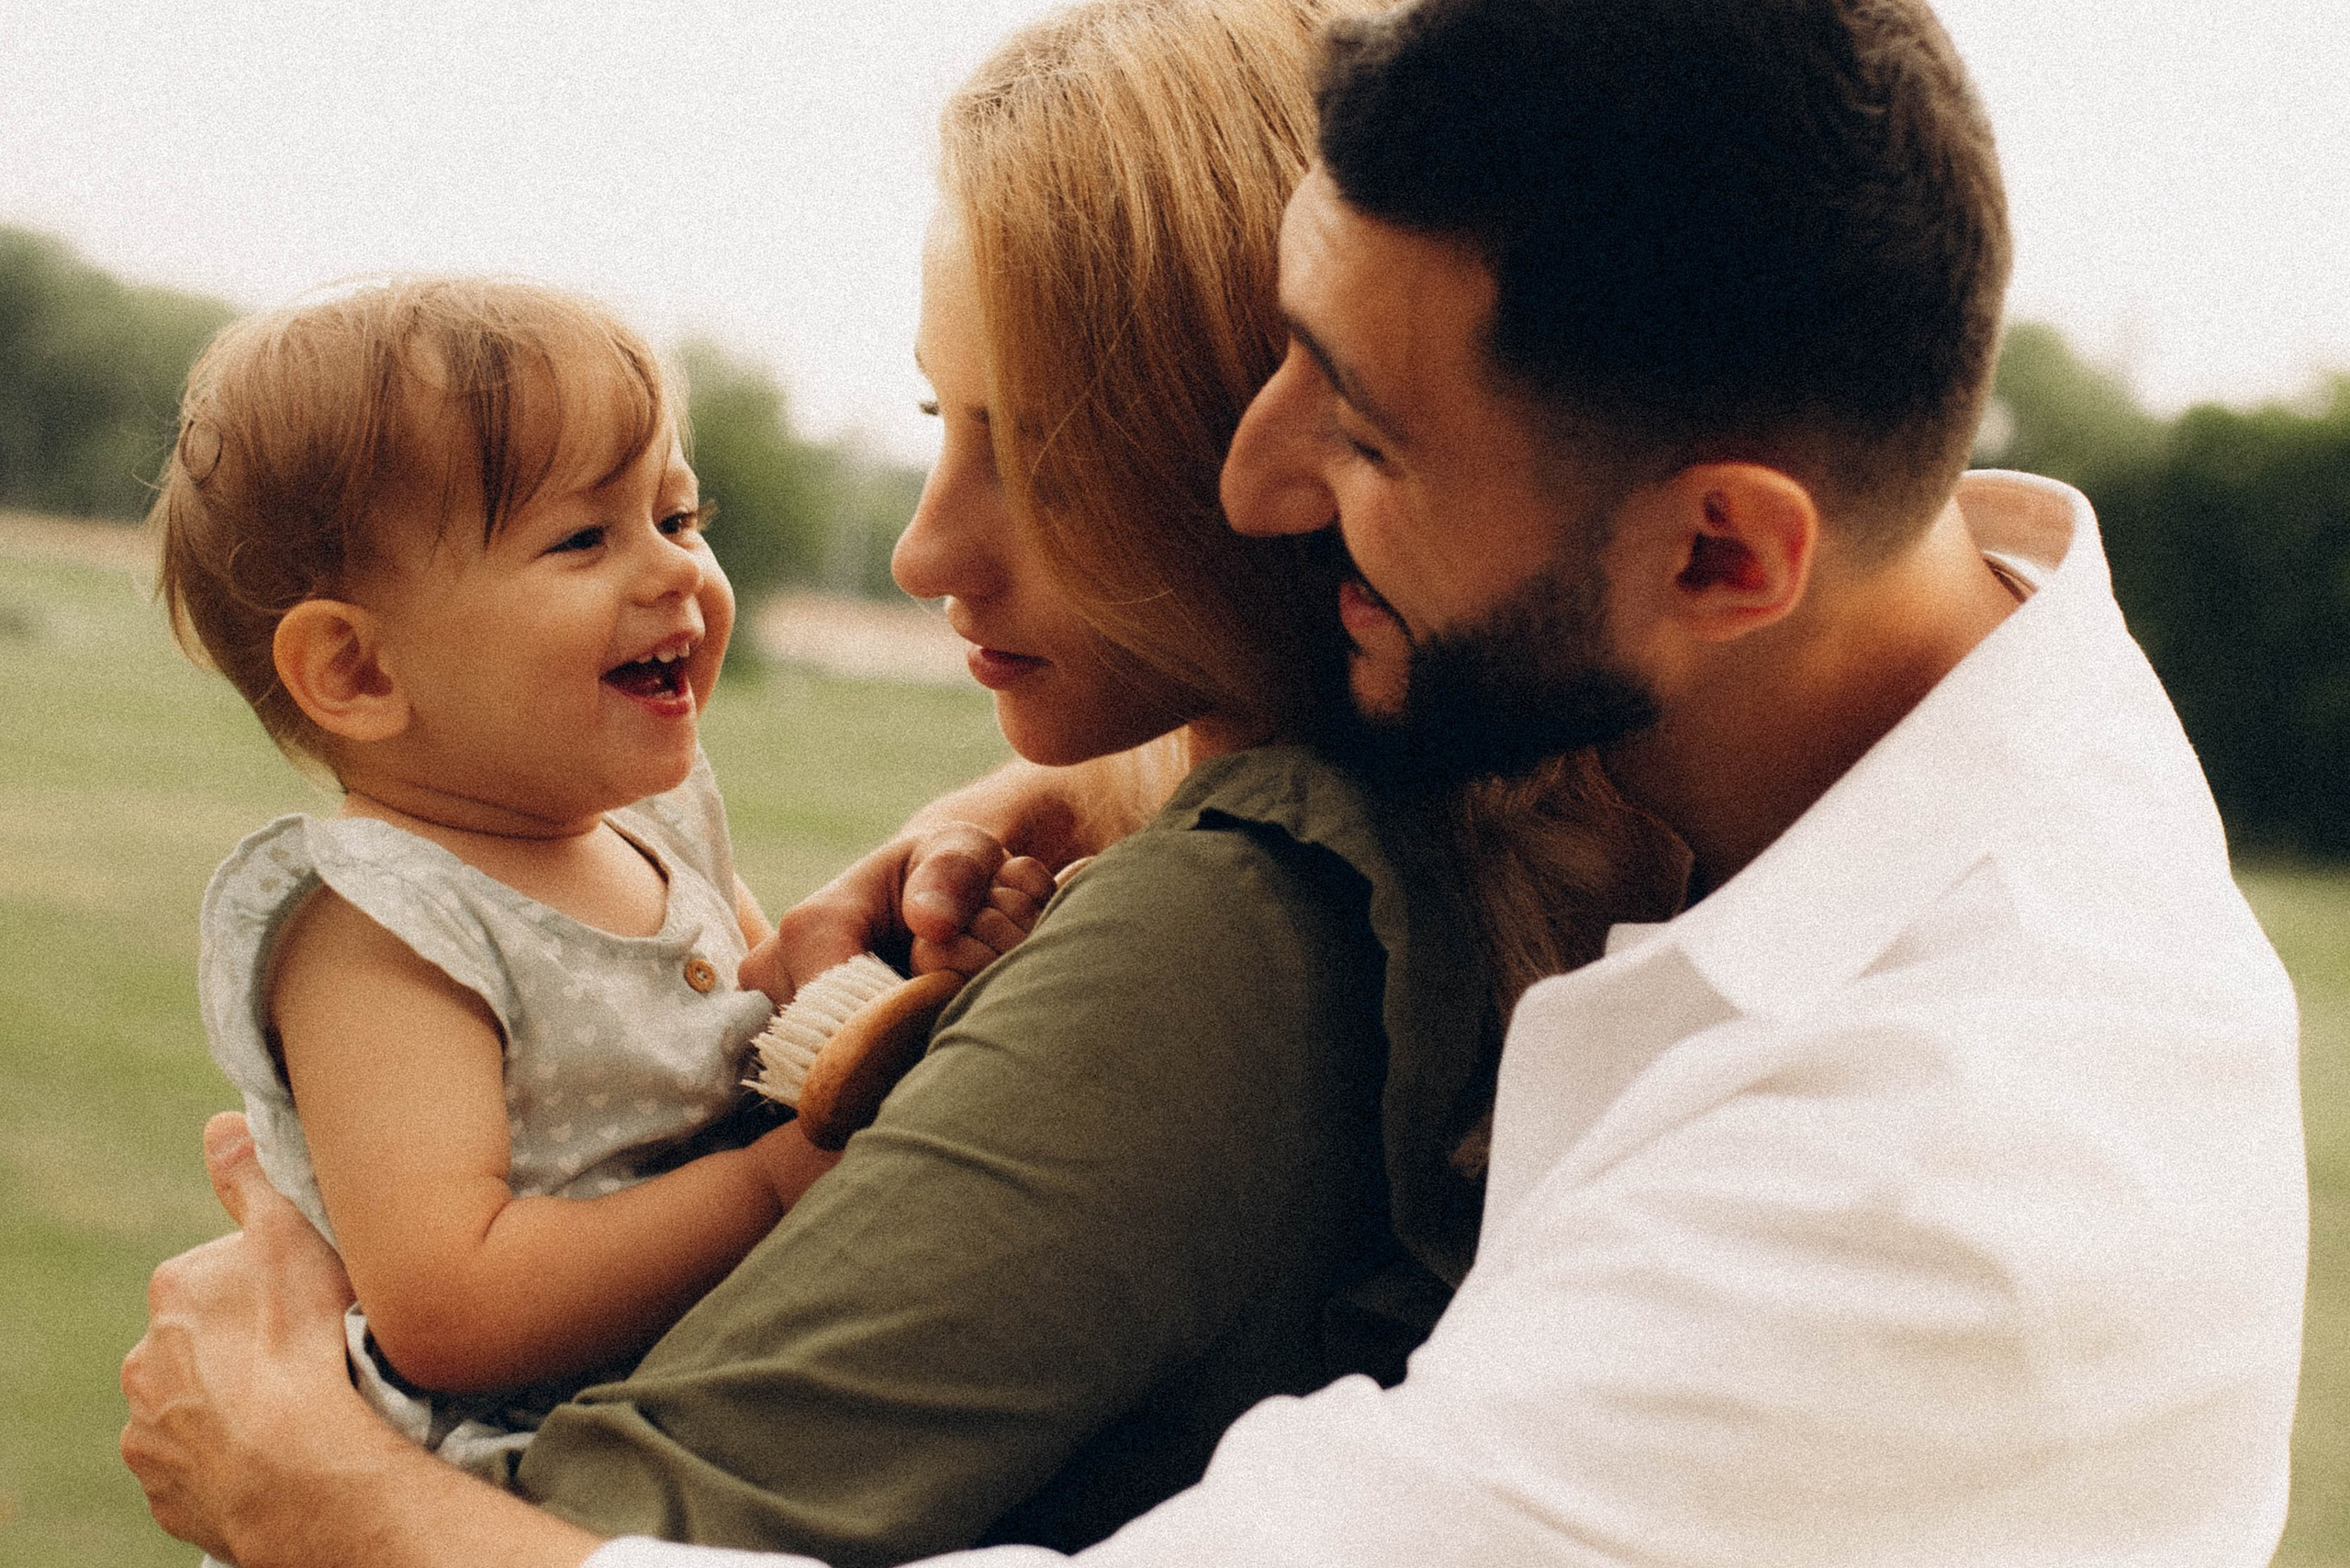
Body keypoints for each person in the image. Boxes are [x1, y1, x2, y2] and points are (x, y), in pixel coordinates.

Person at [123, 0, 2309, 1564]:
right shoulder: (1967, 722)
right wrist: (1140, 765)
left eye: (1352, 426)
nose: (1255, 477)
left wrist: (318, 1495)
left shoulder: (1917, 1202)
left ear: (1721, 549)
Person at [151, 275, 1044, 1488]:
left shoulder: (654, 818)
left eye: (678, 518)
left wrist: (905, 971)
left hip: (690, 1407)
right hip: (494, 1485)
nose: (675, 572)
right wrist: (768, 1186)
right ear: (356, 669)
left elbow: (772, 1024)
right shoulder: (386, 926)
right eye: (584, 538)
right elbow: (454, 1306)